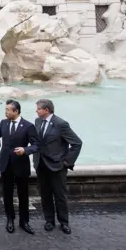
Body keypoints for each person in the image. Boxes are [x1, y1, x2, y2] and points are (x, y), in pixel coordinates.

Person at [33, 99, 83, 234]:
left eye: (38, 109)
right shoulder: (37, 122)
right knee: (45, 194)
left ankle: (64, 222)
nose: (36, 111)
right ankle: (49, 220)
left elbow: (77, 143)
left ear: (46, 110)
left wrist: (67, 162)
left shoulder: (61, 124)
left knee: (60, 196)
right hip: (41, 165)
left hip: (57, 167)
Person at [0, 99, 40, 235]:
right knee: (7, 194)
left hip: (21, 165)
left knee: (23, 195)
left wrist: (25, 150)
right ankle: (10, 219)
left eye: (7, 110)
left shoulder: (28, 126)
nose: (5, 112)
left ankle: (24, 221)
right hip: (5, 165)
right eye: (5, 110)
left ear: (16, 111)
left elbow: (36, 145)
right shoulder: (3, 123)